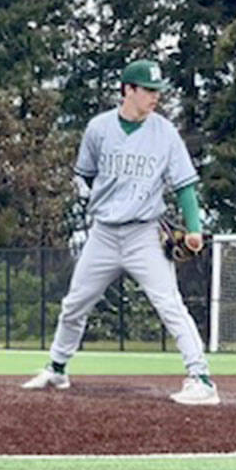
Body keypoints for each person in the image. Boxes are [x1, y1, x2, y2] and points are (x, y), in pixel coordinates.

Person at [22, 58, 219, 405]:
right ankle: (57, 368)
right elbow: (84, 174)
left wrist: (194, 228)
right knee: (75, 303)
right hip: (103, 234)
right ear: (128, 90)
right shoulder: (99, 129)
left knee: (169, 304)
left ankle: (201, 378)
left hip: (144, 234)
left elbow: (185, 185)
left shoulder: (165, 133)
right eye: (149, 91)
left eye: (158, 91)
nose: (156, 97)